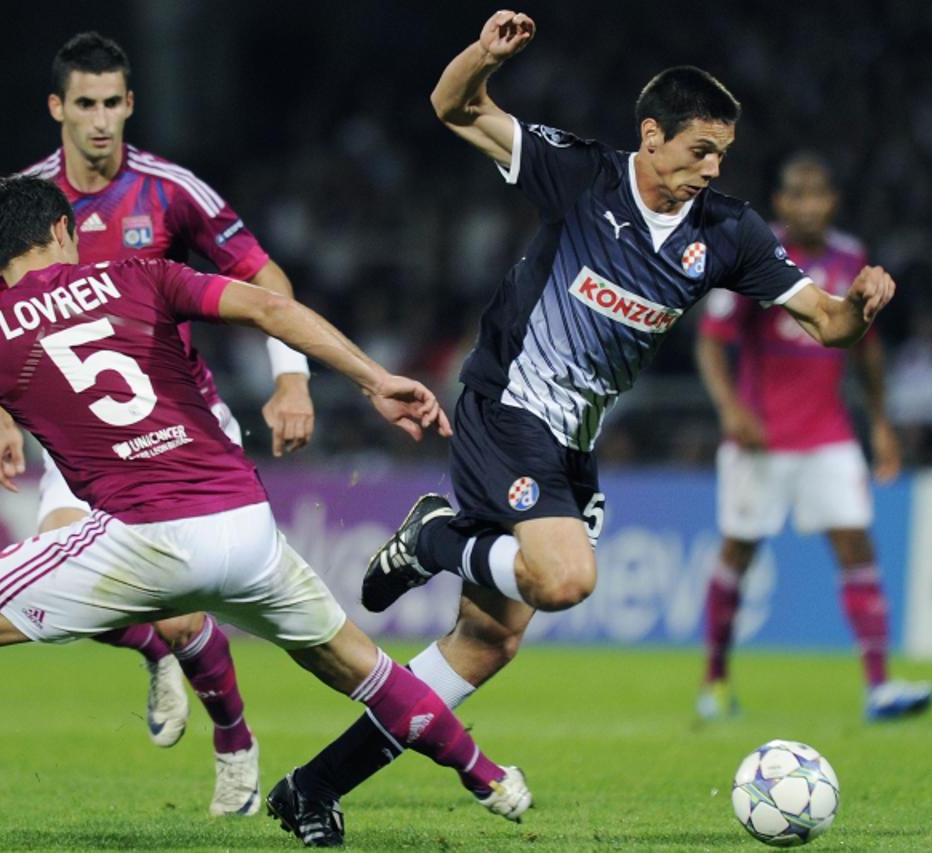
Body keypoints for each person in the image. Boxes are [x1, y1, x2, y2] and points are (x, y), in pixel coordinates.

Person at [265, 11, 897, 846]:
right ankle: (436, 539)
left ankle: (311, 788)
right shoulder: (582, 175)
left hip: (572, 441)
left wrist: (857, 306)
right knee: (565, 578)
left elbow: (825, 321)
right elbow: (454, 107)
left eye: (722, 156)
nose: (711, 169)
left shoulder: (729, 232)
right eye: (699, 150)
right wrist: (480, 60)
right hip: (508, 405)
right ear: (651, 134)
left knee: (485, 643)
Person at [0, 176, 531, 853]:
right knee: (362, 667)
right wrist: (372, 378)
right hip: (246, 526)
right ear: (67, 232)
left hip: (144, 534)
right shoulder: (142, 275)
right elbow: (270, 304)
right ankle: (491, 776)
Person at [0, 32, 315, 815]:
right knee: (59, 586)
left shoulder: (169, 191)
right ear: (57, 107)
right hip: (74, 435)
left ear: (130, 104)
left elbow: (265, 278)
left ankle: (234, 739)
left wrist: (290, 376)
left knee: (183, 603)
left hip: (171, 425)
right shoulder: (26, 201)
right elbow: (11, 321)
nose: (101, 122)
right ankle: (156, 650)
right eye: (85, 105)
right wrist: (7, 421)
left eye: (114, 104)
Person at [695, 153, 932, 722]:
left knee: (856, 544)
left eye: (817, 194)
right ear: (780, 202)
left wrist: (879, 422)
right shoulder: (754, 252)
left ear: (833, 201)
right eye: (796, 194)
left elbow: (868, 350)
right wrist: (731, 410)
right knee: (738, 551)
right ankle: (715, 684)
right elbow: (711, 341)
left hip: (827, 433)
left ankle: (879, 685)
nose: (807, 205)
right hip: (761, 437)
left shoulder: (852, 259)